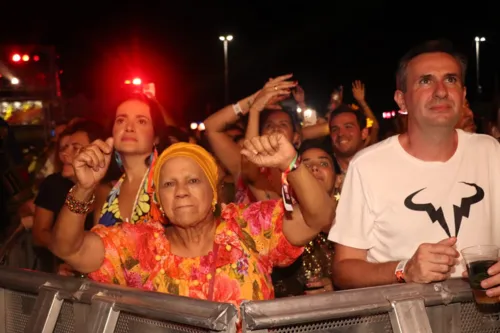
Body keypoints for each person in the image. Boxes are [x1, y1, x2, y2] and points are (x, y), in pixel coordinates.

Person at [50, 134, 335, 308]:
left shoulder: (247, 228)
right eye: (169, 184)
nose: (182, 191)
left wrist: (291, 163)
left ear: (213, 192)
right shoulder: (139, 246)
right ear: (158, 200)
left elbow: (319, 217)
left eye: (193, 181)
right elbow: (69, 249)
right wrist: (84, 188)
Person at [329, 40, 500, 291]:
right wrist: (404, 269)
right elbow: (344, 269)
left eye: (451, 80)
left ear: (463, 95)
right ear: (402, 101)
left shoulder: (490, 152)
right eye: (425, 81)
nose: (441, 91)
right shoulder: (369, 167)